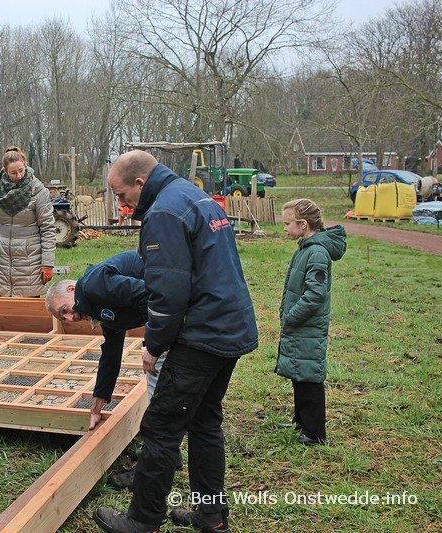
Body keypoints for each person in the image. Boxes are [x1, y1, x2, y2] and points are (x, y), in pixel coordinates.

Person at [93, 150, 258, 533]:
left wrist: (154, 345)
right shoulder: (192, 195)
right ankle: (211, 516)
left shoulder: (164, 213)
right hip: (229, 326)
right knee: (204, 422)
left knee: (160, 428)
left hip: (202, 335)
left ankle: (143, 520)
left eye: (122, 195)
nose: (122, 204)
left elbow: (167, 291)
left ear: (140, 182)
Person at [45, 250, 183, 488]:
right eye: (63, 318)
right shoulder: (95, 304)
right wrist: (99, 401)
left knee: (158, 397)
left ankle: (152, 471)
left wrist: (155, 344)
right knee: (161, 393)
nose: (69, 319)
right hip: (171, 313)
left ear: (71, 289)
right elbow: (111, 352)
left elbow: (148, 295)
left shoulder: (93, 285)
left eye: (64, 310)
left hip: (176, 308)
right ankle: (167, 456)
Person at [277, 199, 346, 446]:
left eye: (288, 223)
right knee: (299, 371)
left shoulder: (316, 252)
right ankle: (301, 421)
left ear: (303, 224)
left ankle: (315, 432)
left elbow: (315, 294)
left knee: (309, 376)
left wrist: (292, 317)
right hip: (300, 324)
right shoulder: (305, 247)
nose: (285, 228)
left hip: (307, 324)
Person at [0, 146, 55, 297]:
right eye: (13, 173)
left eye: (21, 170)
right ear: (5, 171)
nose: (19, 176)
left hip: (30, 263)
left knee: (28, 309)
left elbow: (47, 228)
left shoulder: (38, 191)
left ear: (25, 165)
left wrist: (48, 264)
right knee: (4, 309)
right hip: (2, 262)